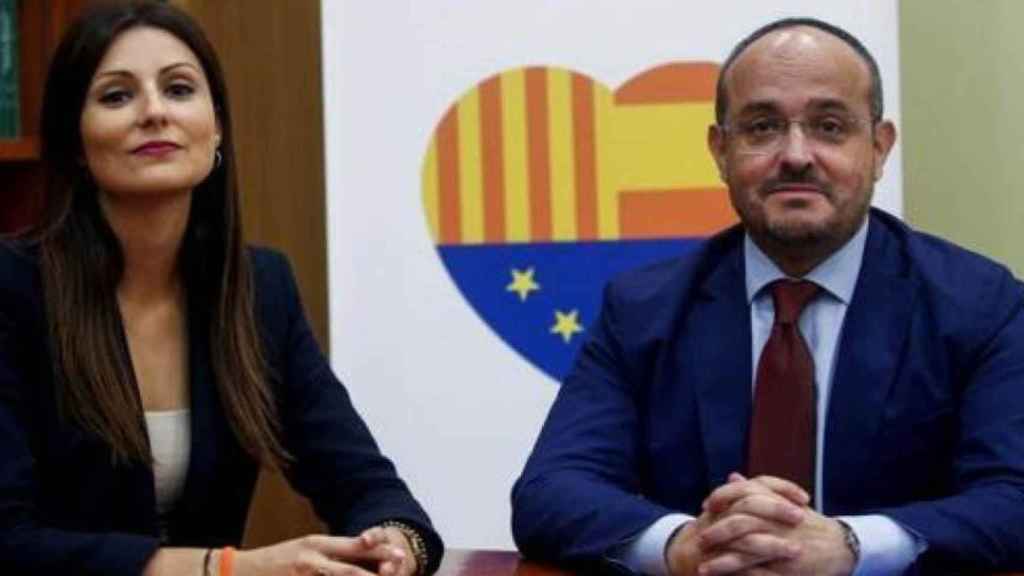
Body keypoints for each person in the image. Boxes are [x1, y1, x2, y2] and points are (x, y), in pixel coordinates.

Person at [512, 17, 1024, 576]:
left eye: (829, 126)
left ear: (879, 147)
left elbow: (1013, 496)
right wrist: (684, 544)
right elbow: (551, 491)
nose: (796, 154)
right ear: (720, 150)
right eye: (762, 127)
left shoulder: (980, 303)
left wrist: (850, 546)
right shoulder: (644, 307)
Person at [0, 2, 442, 575]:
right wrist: (226, 569)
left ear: (216, 130)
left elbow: (364, 482)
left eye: (179, 89)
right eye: (117, 96)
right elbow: (10, 542)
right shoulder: (13, 289)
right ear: (76, 144)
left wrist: (394, 542)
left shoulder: (260, 290)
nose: (155, 112)